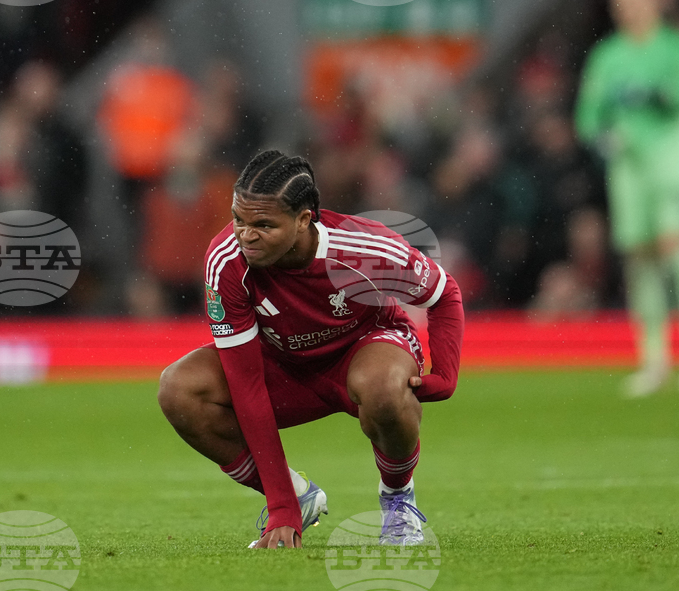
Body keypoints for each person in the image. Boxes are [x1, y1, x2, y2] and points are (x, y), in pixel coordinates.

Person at [157, 150, 464, 548]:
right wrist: (281, 503)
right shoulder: (226, 261)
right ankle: (298, 496)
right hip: (283, 365)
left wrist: (447, 373)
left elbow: (443, 293)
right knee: (179, 390)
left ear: (304, 219)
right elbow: (247, 384)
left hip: (365, 348)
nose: (246, 235)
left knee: (384, 389)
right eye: (238, 219)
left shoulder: (362, 248)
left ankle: (398, 502)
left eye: (263, 224)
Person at [574, 0, 679, 396]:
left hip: (675, 164)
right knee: (640, 260)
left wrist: (668, 93)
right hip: (629, 170)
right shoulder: (607, 57)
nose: (626, 5)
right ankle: (654, 360)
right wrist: (604, 139)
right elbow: (587, 117)